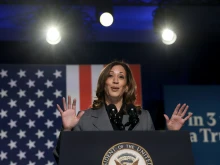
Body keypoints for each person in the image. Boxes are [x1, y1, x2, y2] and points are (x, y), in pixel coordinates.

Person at [53, 61, 193, 163]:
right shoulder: (85, 118)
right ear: (103, 83)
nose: (115, 81)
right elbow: (63, 158)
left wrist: (173, 135)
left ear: (126, 86)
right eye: (110, 76)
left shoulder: (143, 117)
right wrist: (67, 130)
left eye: (121, 77)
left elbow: (154, 156)